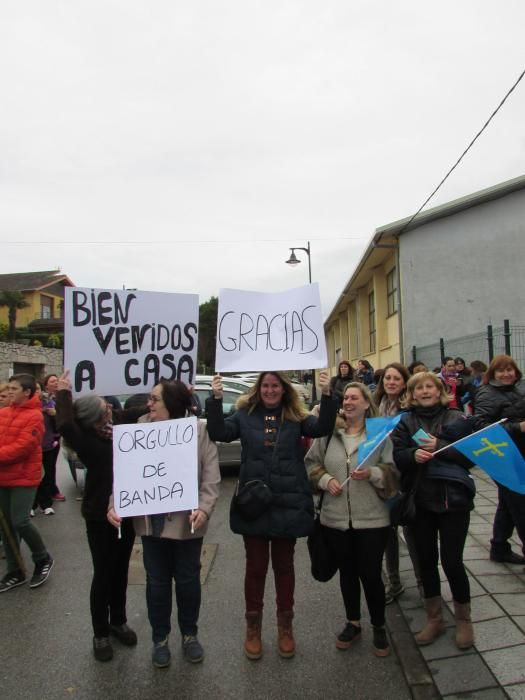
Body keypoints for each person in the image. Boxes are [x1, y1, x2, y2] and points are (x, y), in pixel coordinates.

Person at [206, 370, 337, 660]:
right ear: (258, 388)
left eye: (275, 385)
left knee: (284, 568)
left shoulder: (296, 416)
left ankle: (285, 627)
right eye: (265, 385)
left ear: (283, 389)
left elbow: (323, 427)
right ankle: (253, 627)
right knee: (255, 568)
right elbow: (218, 433)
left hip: (288, 502)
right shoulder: (244, 415)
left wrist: (328, 394)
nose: (269, 390)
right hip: (254, 502)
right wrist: (215, 399)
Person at [108, 380, 220, 668]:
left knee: (187, 582)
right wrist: (114, 505)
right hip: (151, 525)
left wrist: (205, 509)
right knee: (156, 584)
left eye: (155, 399)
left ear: (171, 402)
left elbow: (211, 477)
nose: (149, 404)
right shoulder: (136, 433)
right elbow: (122, 477)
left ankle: (189, 635)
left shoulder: (198, 431)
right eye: (150, 399)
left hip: (187, 524)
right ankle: (160, 639)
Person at [56, 370, 148, 662]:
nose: (110, 406)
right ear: (95, 418)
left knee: (121, 569)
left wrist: (168, 393)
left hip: (126, 512)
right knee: (103, 573)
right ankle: (100, 633)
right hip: (98, 516)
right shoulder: (86, 441)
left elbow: (136, 411)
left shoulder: (116, 424)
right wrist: (63, 393)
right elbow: (66, 424)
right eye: (104, 406)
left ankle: (118, 621)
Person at [305, 382, 399, 657]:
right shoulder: (327, 434)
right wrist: (326, 479)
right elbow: (310, 464)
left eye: (354, 398)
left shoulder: (379, 435)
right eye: (345, 398)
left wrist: (372, 474)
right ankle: (353, 622)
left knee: (370, 573)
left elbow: (393, 472)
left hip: (372, 520)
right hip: (335, 520)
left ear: (366, 404)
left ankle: (379, 625)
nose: (347, 402)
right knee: (347, 572)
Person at [391, 371, 475, 650]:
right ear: (412, 394)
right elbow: (398, 456)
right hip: (420, 502)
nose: (425, 391)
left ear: (440, 391)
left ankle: (463, 620)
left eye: (430, 387)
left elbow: (469, 458)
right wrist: (412, 456)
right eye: (419, 388)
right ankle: (435, 618)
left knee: (452, 562)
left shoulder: (456, 418)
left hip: (453, 501)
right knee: (426, 561)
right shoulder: (406, 421)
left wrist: (440, 447)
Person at [0, 374, 54, 593]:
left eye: (14, 389)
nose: (9, 392)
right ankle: (15, 570)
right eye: (9, 388)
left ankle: (43, 558)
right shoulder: (3, 413)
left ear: (28, 392)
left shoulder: (35, 416)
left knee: (20, 520)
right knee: (6, 526)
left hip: (24, 478)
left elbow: (23, 447)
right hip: (3, 477)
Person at [373, 363, 422, 604]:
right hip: (384, 476)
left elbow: (420, 437)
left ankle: (423, 583)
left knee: (412, 533)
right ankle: (394, 582)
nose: (391, 382)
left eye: (396, 379)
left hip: (406, 475)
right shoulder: (376, 406)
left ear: (405, 383)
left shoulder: (410, 409)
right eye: (387, 378)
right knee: (387, 532)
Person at [473, 355, 525, 565]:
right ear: (492, 373)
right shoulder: (487, 393)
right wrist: (518, 427)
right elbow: (481, 427)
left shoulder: (516, 390)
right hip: (502, 456)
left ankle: (499, 546)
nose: (506, 374)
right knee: (520, 503)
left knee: (508, 502)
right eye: (501, 371)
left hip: (518, 454)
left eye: (509, 370)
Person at [41, 374, 66, 502]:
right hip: (45, 437)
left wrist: (56, 414)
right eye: (52, 381)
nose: (56, 383)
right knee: (44, 467)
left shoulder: (61, 398)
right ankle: (44, 493)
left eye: (57, 381)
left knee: (51, 466)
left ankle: (52, 490)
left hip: (56, 436)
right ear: (46, 385)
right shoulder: (42, 399)